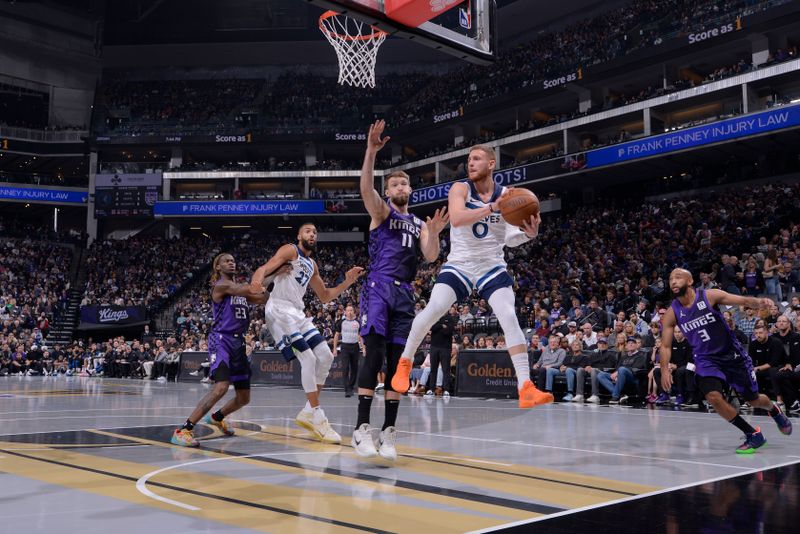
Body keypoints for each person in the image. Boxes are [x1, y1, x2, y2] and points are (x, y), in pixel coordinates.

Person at [391, 143, 553, 408]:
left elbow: (510, 238)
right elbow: (456, 218)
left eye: (477, 158)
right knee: (434, 309)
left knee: (509, 316)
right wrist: (492, 208)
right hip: (460, 264)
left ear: (491, 164)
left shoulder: (508, 196)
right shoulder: (461, 188)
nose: (471, 163)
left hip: (491, 265)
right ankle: (405, 363)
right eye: (469, 159)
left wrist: (527, 234)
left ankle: (526, 387)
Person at [351, 120, 449, 461]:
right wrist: (370, 152)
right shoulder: (381, 211)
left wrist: (435, 232)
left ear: (410, 189)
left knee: (398, 364)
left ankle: (388, 433)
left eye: (404, 183)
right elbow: (365, 188)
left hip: (405, 293)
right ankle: (361, 429)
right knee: (374, 354)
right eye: (394, 184)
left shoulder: (420, 223)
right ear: (388, 191)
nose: (400, 186)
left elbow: (431, 255)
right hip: (379, 287)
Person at [252, 222, 364, 444]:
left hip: (297, 312)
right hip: (279, 309)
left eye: (315, 232)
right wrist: (256, 282)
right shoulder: (290, 250)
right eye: (308, 231)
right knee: (309, 359)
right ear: (299, 235)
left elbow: (324, 296)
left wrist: (348, 282)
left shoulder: (312, 264)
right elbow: (264, 268)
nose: (312, 234)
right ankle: (318, 418)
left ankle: (306, 411)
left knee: (326, 356)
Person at [660, 269, 792, 454]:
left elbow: (744, 301)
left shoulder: (709, 296)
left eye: (678, 277)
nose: (673, 281)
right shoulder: (672, 312)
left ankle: (774, 409)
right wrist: (664, 369)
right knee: (713, 397)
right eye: (670, 278)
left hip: (731, 355)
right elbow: (665, 346)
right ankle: (752, 434)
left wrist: (759, 302)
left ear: (690, 281)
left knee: (753, 400)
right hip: (705, 359)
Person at [171, 253, 270, 447]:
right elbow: (247, 289)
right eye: (227, 261)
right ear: (218, 267)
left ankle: (217, 417)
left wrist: (270, 284)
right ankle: (183, 430)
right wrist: (264, 278)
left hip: (239, 343)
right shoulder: (222, 286)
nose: (232, 262)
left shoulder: (240, 290)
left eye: (234, 260)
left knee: (244, 397)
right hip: (222, 340)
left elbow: (261, 299)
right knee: (221, 387)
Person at [332, 304, 363, 398]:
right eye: (348, 310)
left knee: (354, 369)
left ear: (354, 312)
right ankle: (347, 389)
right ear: (345, 312)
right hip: (345, 346)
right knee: (345, 368)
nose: (349, 312)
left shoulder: (358, 322)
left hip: (355, 346)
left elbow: (361, 336)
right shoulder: (341, 322)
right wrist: (334, 348)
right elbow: (336, 335)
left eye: (351, 310)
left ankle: (351, 386)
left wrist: (364, 347)